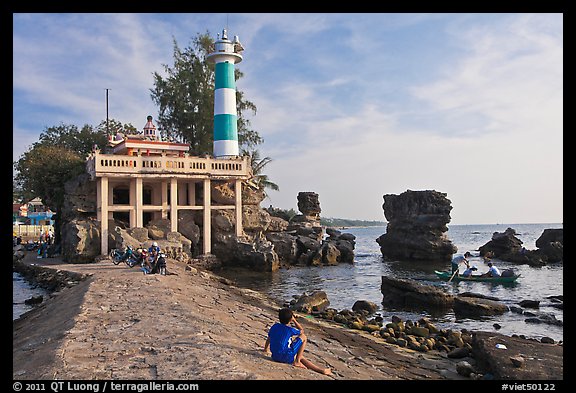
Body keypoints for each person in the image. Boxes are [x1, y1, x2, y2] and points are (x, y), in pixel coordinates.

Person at [264, 308, 331, 375]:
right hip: (285, 356)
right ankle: (297, 361)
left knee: (300, 356)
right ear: (290, 319)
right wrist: (294, 320)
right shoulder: (290, 329)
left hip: (275, 356)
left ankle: (321, 370)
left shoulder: (274, 326)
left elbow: (269, 338)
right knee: (304, 337)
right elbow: (301, 331)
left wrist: (265, 349)